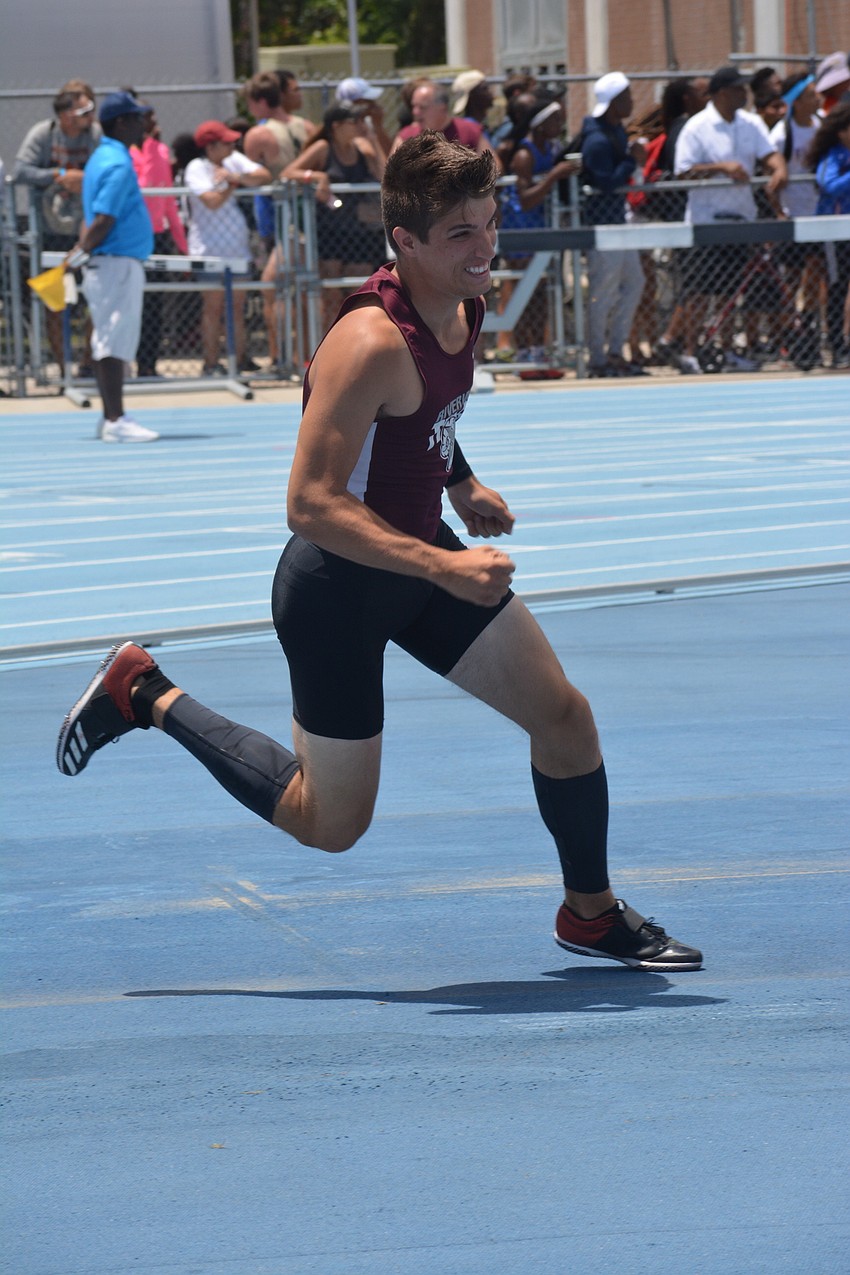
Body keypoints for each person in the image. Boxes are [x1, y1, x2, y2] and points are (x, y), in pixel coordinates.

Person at [57, 130, 703, 975]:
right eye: (461, 235)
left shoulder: (465, 303)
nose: (485, 250)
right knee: (329, 823)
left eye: (488, 223)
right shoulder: (368, 342)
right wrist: (444, 563)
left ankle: (590, 913)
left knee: (565, 719)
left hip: (419, 554)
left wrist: (461, 484)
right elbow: (309, 503)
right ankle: (145, 692)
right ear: (405, 243)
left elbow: (421, 418)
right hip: (336, 590)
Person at [674, 64, 787, 373]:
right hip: (706, 221)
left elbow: (769, 154)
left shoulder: (750, 123)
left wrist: (779, 169)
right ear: (723, 93)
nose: (745, 94)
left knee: (730, 291)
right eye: (739, 89)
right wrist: (721, 167)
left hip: (742, 218)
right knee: (699, 292)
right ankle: (690, 352)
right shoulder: (697, 127)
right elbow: (682, 169)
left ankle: (725, 352)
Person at [66, 91, 157, 443]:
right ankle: (115, 418)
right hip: (115, 263)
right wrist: (78, 255)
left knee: (110, 338)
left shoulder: (102, 157)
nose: (143, 123)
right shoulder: (117, 162)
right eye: (137, 118)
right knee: (112, 342)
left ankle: (112, 417)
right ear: (122, 123)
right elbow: (104, 218)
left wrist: (79, 255)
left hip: (111, 263)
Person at [14, 79, 101, 376]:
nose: (90, 114)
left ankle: (88, 363)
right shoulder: (44, 134)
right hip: (52, 234)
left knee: (95, 299)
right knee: (57, 303)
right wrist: (59, 174)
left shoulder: (96, 135)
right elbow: (22, 170)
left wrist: (84, 180)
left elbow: (108, 171)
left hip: (89, 234)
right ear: (65, 112)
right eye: (83, 108)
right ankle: (64, 368)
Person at [283, 104, 387, 333]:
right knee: (330, 296)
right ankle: (330, 346)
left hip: (359, 233)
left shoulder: (362, 146)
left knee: (358, 295)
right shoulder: (323, 148)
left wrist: (373, 140)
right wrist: (317, 176)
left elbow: (384, 174)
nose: (361, 125)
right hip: (329, 231)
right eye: (355, 121)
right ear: (336, 126)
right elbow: (288, 173)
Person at [184, 119, 270, 375]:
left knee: (237, 308)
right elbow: (210, 201)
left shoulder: (234, 161)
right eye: (226, 141)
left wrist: (236, 177)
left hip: (237, 248)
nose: (233, 144)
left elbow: (264, 175)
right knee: (213, 308)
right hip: (208, 249)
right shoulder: (196, 168)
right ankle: (211, 363)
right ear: (211, 147)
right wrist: (233, 185)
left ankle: (239, 359)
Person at [498, 94, 578, 367]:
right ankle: (522, 350)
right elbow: (525, 198)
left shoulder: (552, 148)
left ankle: (537, 347)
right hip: (522, 225)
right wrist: (554, 175)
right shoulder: (524, 154)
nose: (560, 124)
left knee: (541, 293)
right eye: (555, 120)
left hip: (541, 225)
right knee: (524, 290)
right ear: (540, 124)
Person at [243, 71, 316, 368]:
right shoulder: (307, 127)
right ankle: (300, 354)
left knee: (273, 286)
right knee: (302, 288)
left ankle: (284, 356)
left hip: (282, 220)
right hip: (307, 217)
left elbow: (249, 173)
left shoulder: (259, 134)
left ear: (260, 101)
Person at [579, 71, 647, 377]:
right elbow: (605, 182)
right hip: (601, 227)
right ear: (614, 102)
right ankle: (597, 357)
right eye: (627, 97)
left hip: (618, 224)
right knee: (603, 292)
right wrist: (632, 160)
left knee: (635, 283)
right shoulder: (596, 141)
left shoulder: (615, 132)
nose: (632, 102)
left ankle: (616, 350)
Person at [129, 101, 189, 378]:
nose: (152, 123)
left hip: (157, 236)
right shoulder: (126, 153)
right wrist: (148, 149)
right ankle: (121, 363)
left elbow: (166, 201)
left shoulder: (161, 151)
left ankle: (148, 364)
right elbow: (142, 187)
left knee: (153, 305)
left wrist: (182, 246)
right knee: (130, 302)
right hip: (130, 239)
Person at [768, 73, 823, 322]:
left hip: (819, 213)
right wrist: (779, 212)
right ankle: (790, 328)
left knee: (816, 270)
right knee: (790, 277)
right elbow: (769, 181)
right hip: (793, 214)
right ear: (797, 102)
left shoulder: (822, 126)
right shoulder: (782, 134)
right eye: (811, 95)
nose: (817, 99)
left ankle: (809, 322)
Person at [808, 102, 850, 368]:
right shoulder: (834, 155)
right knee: (838, 286)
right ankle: (837, 345)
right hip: (837, 231)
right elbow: (829, 184)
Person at [390, 81, 489, 157]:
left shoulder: (470, 130)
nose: (415, 112)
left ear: (442, 107)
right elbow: (390, 174)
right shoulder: (406, 137)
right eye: (414, 106)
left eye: (422, 107)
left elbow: (494, 167)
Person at [335, 76, 393, 157]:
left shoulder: (368, 123)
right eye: (367, 101)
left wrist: (378, 126)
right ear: (353, 103)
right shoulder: (343, 129)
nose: (373, 104)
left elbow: (390, 155)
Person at [451, 70, 495, 144]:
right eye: (485, 88)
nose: (490, 92)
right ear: (472, 96)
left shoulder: (479, 124)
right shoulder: (471, 129)